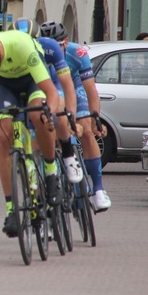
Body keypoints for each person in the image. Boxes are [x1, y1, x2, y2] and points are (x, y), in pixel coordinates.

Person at [0, 26, 60, 238]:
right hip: (4, 85)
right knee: (4, 137)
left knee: (38, 116)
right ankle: (11, 210)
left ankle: (51, 172)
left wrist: (49, 113)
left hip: (32, 78)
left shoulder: (21, 44)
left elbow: (51, 92)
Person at [40, 21, 112, 212]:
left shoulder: (77, 53)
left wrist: (95, 116)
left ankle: (98, 190)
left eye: (59, 45)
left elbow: (90, 89)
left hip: (74, 84)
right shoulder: (39, 52)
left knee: (86, 130)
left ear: (66, 41)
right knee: (51, 131)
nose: (54, 48)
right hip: (53, 87)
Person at [5, 18, 82, 184]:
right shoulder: (6, 52)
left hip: (47, 82)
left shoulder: (50, 47)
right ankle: (38, 195)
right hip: (23, 86)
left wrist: (71, 116)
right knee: (30, 141)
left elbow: (67, 86)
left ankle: (68, 152)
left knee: (58, 109)